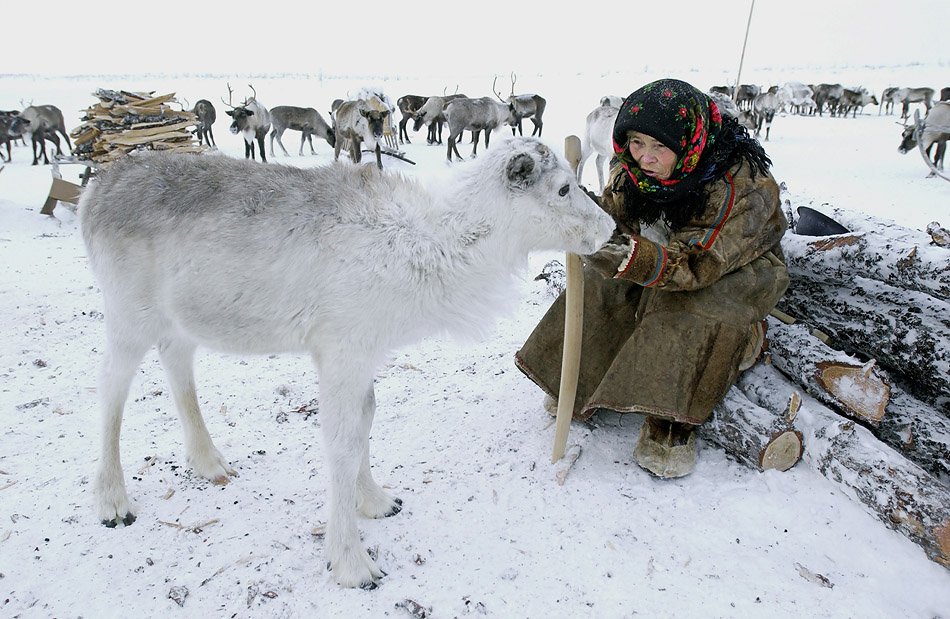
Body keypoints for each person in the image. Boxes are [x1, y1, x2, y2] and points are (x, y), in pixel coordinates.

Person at [514, 78, 789, 478]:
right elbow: (614, 222)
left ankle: (673, 421)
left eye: (661, 147)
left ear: (689, 142)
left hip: (731, 270)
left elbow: (696, 266)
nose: (645, 157)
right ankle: (577, 381)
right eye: (638, 142)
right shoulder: (632, 170)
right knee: (601, 281)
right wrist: (574, 209)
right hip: (666, 253)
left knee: (686, 305)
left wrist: (620, 251)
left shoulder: (741, 186)